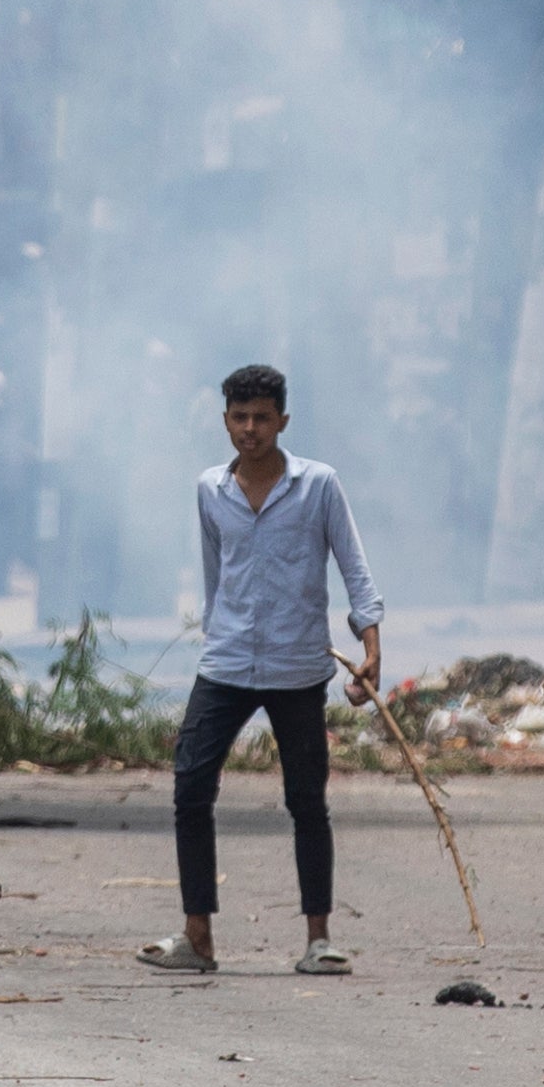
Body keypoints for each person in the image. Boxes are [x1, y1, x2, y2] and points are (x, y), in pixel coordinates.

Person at [140, 364, 381, 977]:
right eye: (240, 418)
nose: (250, 430)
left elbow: (354, 569)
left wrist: (370, 646)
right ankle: (198, 937)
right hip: (224, 661)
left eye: (262, 418)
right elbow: (215, 575)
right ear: (225, 421)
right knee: (191, 787)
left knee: (306, 800)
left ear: (283, 421)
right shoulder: (209, 489)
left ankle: (319, 939)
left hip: (297, 665)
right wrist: (216, 629)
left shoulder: (318, 485)